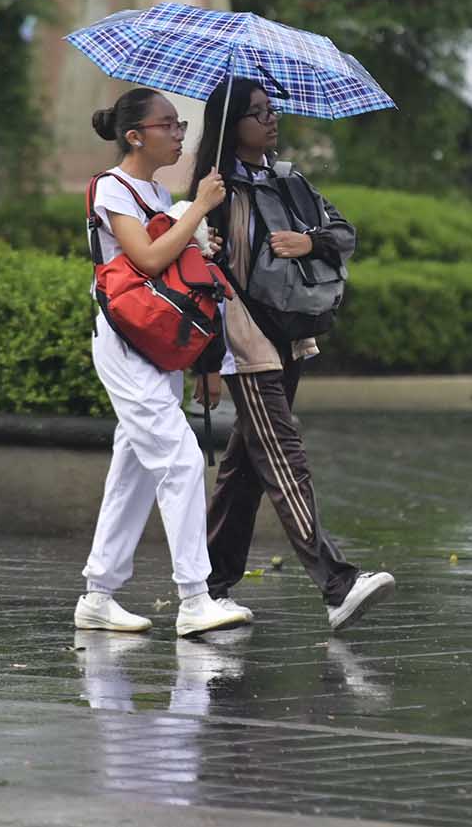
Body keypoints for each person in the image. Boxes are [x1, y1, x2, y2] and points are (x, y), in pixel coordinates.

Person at [188, 77, 395, 632]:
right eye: (257, 113)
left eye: (271, 110)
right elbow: (198, 280)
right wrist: (205, 364)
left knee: (245, 468)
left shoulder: (287, 179)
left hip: (291, 332)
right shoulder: (216, 191)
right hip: (243, 338)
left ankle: (206, 587)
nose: (270, 119)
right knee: (283, 453)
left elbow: (344, 232)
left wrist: (310, 241)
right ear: (232, 126)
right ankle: (337, 584)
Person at [76, 87, 253, 637]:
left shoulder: (155, 191)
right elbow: (148, 257)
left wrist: (200, 240)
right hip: (126, 339)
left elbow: (177, 266)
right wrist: (196, 208)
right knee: (177, 460)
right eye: (169, 126)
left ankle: (98, 594)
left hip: (160, 341)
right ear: (135, 135)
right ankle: (196, 598)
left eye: (180, 126)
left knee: (134, 468)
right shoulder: (113, 189)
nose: (180, 134)